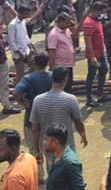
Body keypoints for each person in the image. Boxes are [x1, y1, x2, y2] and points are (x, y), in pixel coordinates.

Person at [31, 66, 87, 177]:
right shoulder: (70, 99)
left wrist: (37, 150)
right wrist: (83, 136)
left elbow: (34, 129)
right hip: (66, 148)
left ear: (52, 79)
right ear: (65, 80)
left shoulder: (38, 100)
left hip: (48, 147)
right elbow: (78, 122)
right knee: (70, 178)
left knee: (53, 176)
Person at [13, 52, 52, 181]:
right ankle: (52, 175)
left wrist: (23, 102)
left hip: (31, 119)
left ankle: (39, 176)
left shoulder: (28, 78)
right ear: (47, 62)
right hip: (49, 119)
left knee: (34, 148)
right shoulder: (52, 77)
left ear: (35, 63)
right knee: (50, 149)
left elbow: (16, 93)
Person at [82, 2, 109, 107]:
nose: (104, 13)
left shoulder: (96, 20)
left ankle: (100, 94)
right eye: (103, 10)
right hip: (94, 54)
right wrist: (93, 56)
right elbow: (87, 41)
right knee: (91, 75)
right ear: (98, 10)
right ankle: (89, 99)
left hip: (100, 52)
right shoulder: (88, 22)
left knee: (104, 70)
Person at [43, 125, 86, 190]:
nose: (44, 142)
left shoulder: (70, 162)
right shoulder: (56, 155)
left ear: (55, 142)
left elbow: (79, 188)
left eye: (46, 139)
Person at [47, 13, 76, 92]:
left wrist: (73, 28)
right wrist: (52, 67)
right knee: (63, 88)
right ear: (60, 21)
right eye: (67, 22)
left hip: (68, 64)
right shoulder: (53, 34)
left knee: (69, 86)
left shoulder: (67, 30)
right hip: (60, 65)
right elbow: (52, 51)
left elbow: (75, 36)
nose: (68, 24)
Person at [8, 5, 33, 80]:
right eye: (25, 14)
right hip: (18, 54)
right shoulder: (12, 25)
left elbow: (26, 36)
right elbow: (12, 42)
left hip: (26, 51)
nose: (27, 16)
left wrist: (31, 47)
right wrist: (19, 53)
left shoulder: (23, 22)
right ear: (19, 13)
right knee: (20, 72)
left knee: (34, 68)